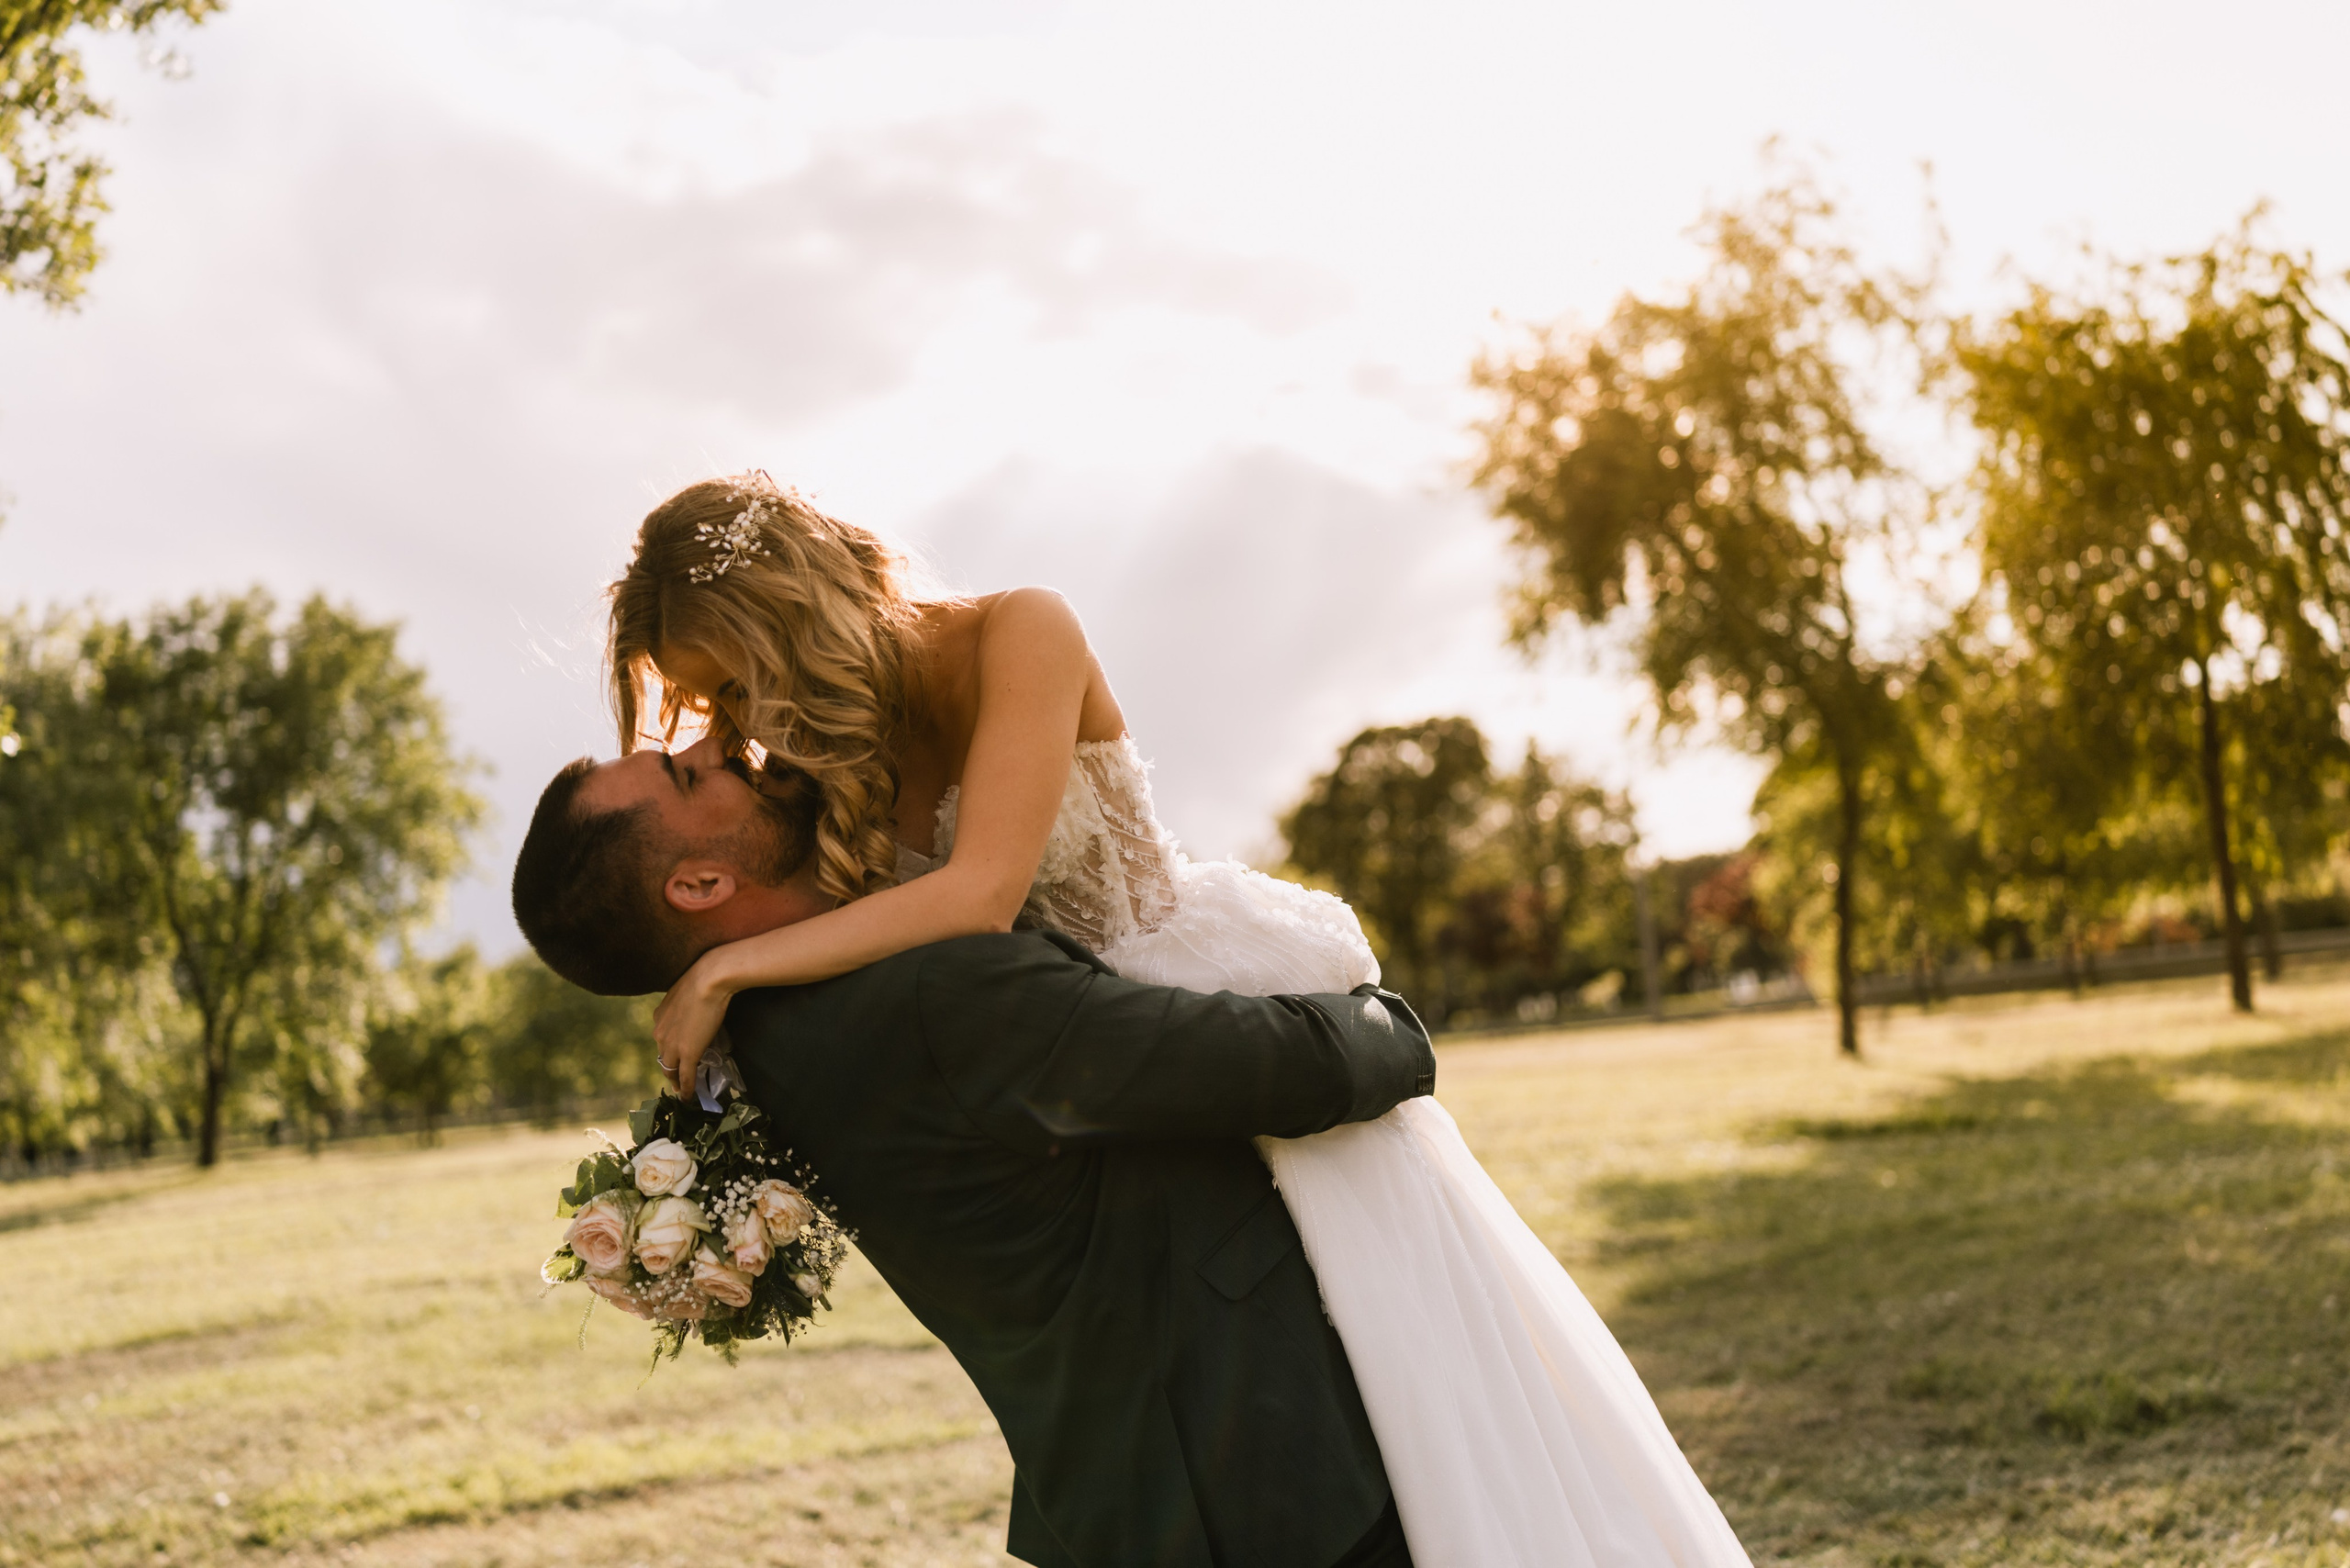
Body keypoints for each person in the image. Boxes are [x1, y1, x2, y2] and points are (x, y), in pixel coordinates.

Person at [578, 471, 1750, 1566]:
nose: (734, 729)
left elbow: (982, 896)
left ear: (784, 613)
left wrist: (730, 970)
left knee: (1418, 1395)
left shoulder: (1017, 634)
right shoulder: (835, 757)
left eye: (728, 683)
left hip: (1194, 989)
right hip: (1099, 1068)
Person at [513, 732, 1429, 1568]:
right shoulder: (922, 1000)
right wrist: (1386, 1022)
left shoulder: (761, 1039)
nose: (716, 743)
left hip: (1135, 1500)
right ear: (700, 885)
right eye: (685, 774)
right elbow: (1285, 1066)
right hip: (1264, 1491)